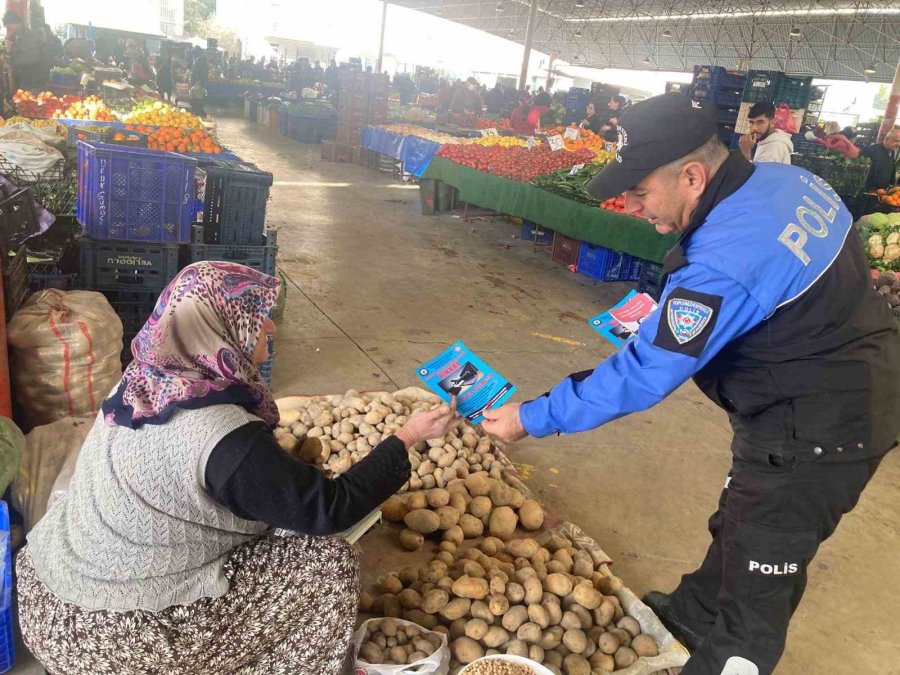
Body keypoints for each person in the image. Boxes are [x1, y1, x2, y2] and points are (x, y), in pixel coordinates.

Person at [482, 92, 899, 675]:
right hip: (829, 383)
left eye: (641, 192)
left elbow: (646, 375)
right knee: (738, 520)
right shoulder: (788, 184)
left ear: (694, 176)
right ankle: (690, 616)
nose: (634, 207)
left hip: (821, 425)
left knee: (761, 575)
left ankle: (728, 657)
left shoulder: (724, 263)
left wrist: (532, 416)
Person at [17, 262, 462, 674]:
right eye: (254, 314)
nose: (269, 324)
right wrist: (406, 437)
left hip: (51, 595)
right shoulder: (221, 434)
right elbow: (330, 509)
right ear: (219, 327)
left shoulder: (142, 381)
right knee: (329, 560)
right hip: (117, 641)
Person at [2, 11, 49, 91]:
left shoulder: (28, 36)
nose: (7, 29)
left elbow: (30, 59)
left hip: (34, 80)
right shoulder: (18, 35)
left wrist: (11, 64)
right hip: (28, 79)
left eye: (9, 26)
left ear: (17, 23)